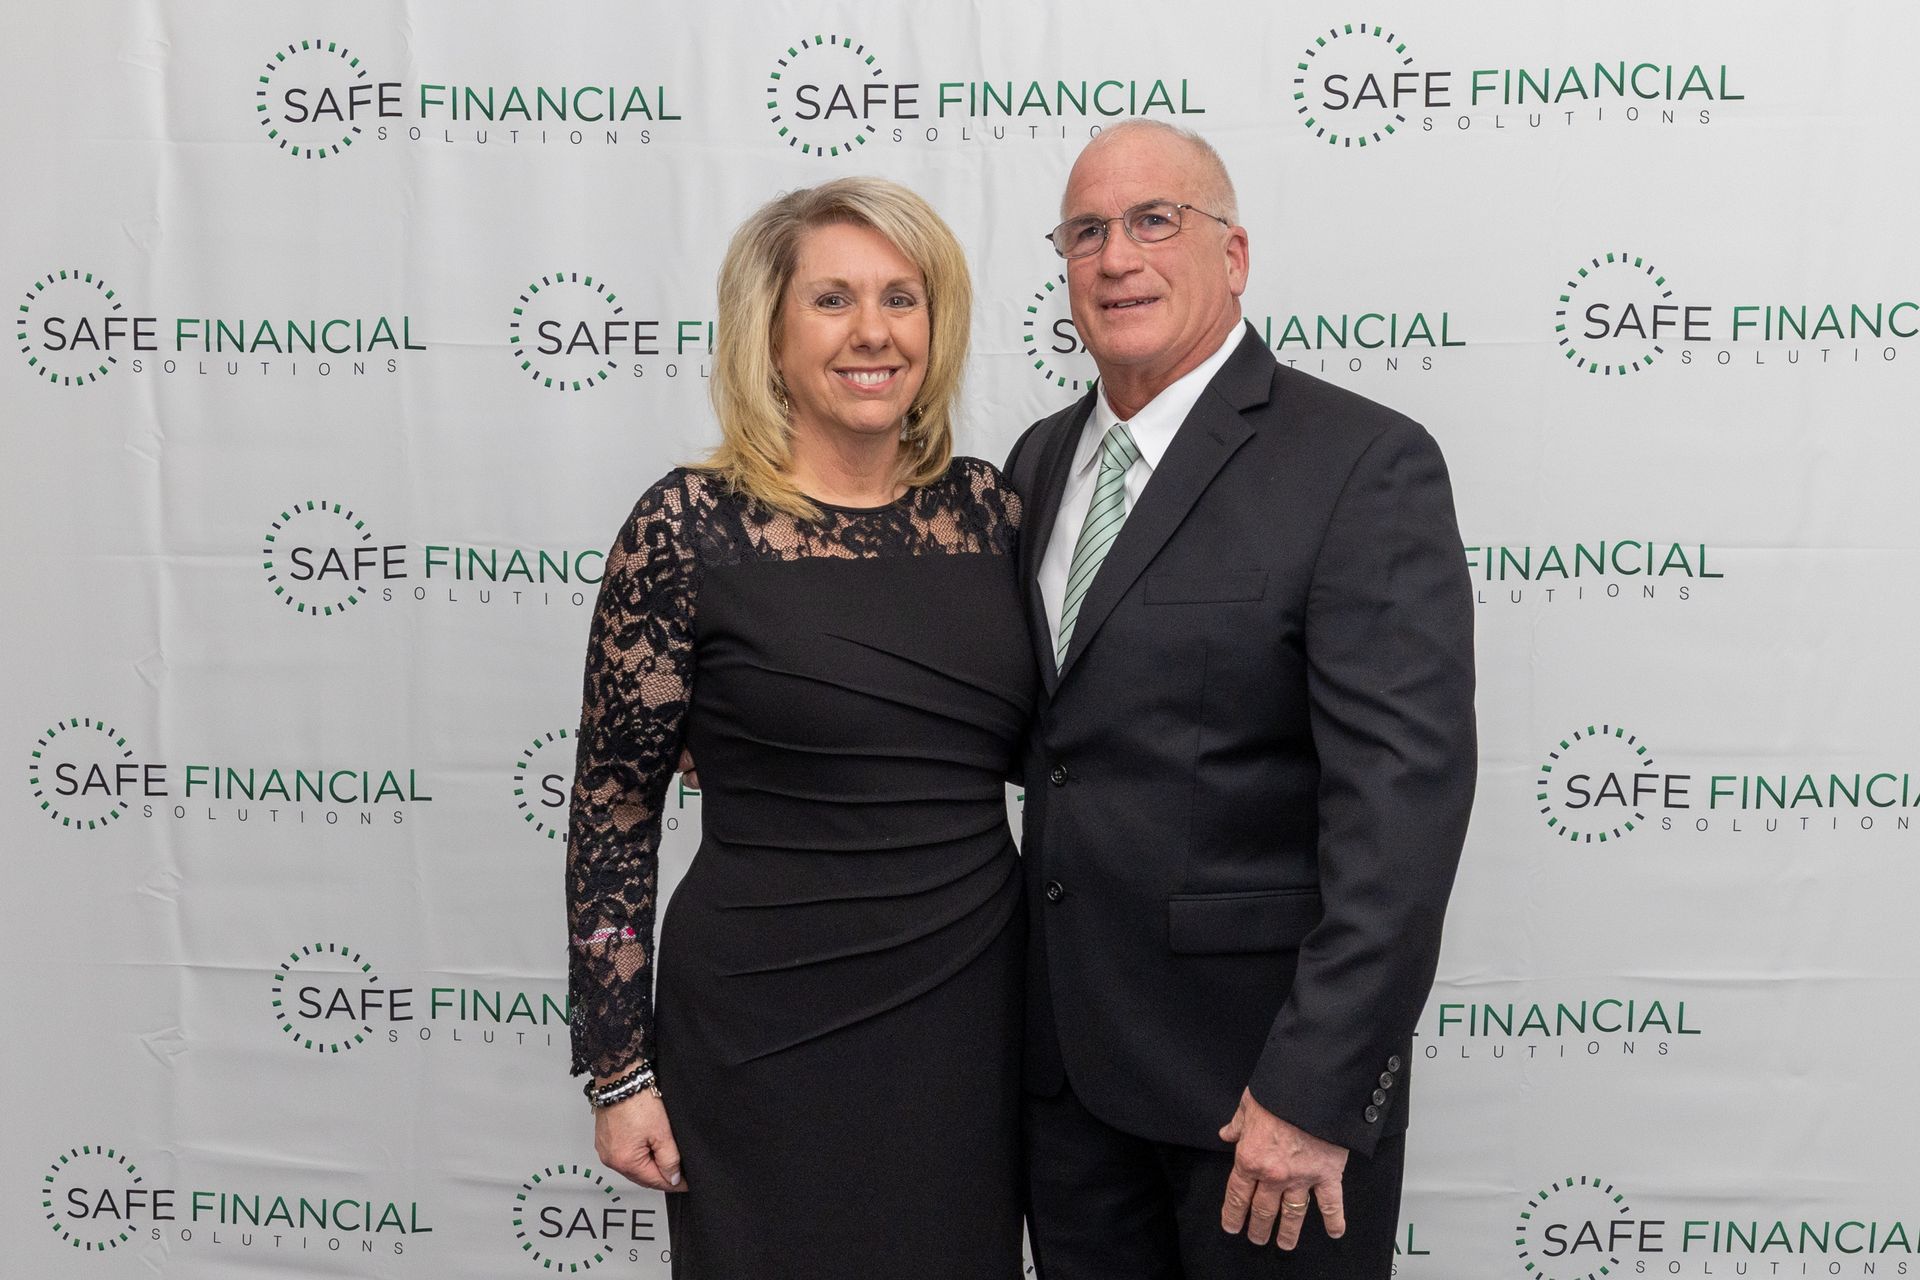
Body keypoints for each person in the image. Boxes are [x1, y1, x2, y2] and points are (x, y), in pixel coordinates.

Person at [1003, 120, 1477, 1279]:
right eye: (1087, 231)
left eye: (1155, 219)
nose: (1117, 256)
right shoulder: (1035, 461)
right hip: (1064, 1085)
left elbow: (1400, 816)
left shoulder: (1362, 463)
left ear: (1236, 254)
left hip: (1258, 1102)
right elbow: (1043, 734)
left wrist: (1314, 1089)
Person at [565, 177, 1030, 1278]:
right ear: (768, 333)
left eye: (901, 298)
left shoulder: (992, 509)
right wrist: (618, 1066)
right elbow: (613, 813)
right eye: (833, 299)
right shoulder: (683, 528)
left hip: (970, 1018)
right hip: (762, 1023)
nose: (873, 331)